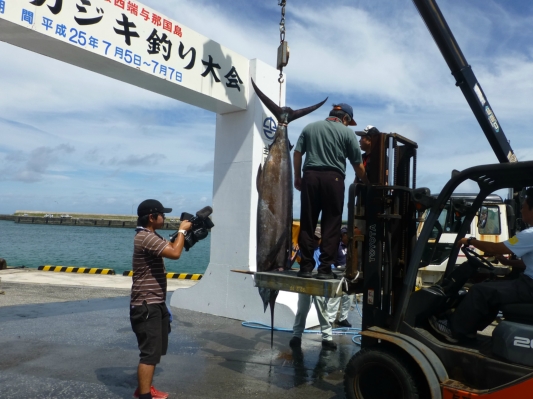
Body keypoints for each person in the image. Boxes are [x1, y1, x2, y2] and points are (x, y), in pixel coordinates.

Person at [429, 188, 533, 343]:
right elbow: (527, 263)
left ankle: (455, 330)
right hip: (527, 283)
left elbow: (494, 248)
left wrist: (470, 241)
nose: (522, 210)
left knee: (479, 291)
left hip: (529, 286)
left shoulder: (529, 234)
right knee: (489, 287)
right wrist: (507, 262)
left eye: (524, 206)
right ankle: (469, 330)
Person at [294, 103, 368, 280]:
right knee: (331, 224)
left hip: (310, 177)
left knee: (308, 221)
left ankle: (305, 267)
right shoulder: (346, 133)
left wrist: (298, 177)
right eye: (348, 122)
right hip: (333, 179)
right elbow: (357, 164)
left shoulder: (310, 128)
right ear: (345, 118)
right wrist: (369, 183)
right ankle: (325, 269)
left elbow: (297, 153)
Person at [130, 199, 192, 399]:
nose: (164, 218)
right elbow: (175, 253)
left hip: (155, 302)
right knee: (149, 354)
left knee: (155, 350)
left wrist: (186, 234)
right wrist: (182, 230)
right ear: (151, 217)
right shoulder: (144, 237)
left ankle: (145, 388)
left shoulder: (152, 235)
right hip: (147, 305)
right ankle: (144, 395)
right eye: (162, 214)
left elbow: (173, 246)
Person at [290, 227, 337, 350]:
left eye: (317, 238)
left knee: (322, 310)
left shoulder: (324, 252)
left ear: (321, 240)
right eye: (313, 238)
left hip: (319, 284)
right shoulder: (303, 250)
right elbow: (289, 262)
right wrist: (295, 251)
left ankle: (327, 337)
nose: (315, 241)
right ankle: (296, 335)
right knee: (302, 310)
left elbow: (331, 267)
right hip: (306, 282)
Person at [327, 226, 355, 327]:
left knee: (349, 297)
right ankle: (330, 319)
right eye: (347, 234)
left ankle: (343, 318)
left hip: (349, 275)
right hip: (338, 274)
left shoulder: (352, 246)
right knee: (335, 298)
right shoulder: (337, 246)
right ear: (343, 235)